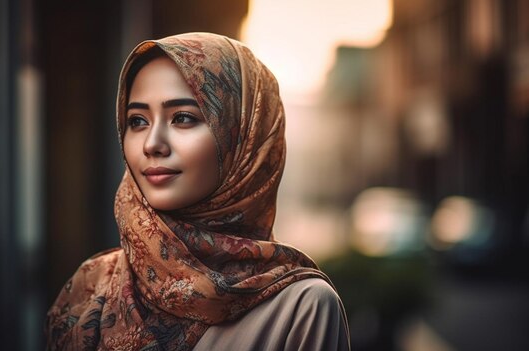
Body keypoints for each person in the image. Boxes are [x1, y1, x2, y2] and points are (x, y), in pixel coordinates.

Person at [45, 32, 350, 351]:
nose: (152, 144)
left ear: (244, 140)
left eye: (183, 118)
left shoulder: (300, 309)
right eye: (137, 121)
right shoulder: (90, 286)